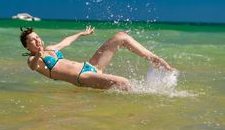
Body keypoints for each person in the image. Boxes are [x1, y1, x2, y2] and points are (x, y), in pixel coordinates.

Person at [20, 26, 173, 91]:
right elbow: (33, 67)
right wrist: (37, 56)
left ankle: (154, 59)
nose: (38, 40)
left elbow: (66, 42)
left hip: (91, 66)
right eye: (33, 40)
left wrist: (81, 34)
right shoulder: (33, 59)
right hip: (83, 77)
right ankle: (142, 102)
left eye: (38, 37)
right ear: (27, 47)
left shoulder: (50, 49)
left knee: (120, 36)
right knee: (124, 82)